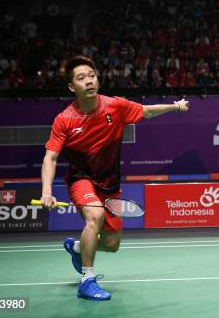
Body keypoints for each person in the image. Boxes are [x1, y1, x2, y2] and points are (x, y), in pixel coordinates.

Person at [39, 55, 189, 301]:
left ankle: (77, 247)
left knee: (111, 244)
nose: (89, 81)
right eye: (81, 78)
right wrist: (46, 191)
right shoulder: (64, 120)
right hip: (81, 178)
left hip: (109, 184)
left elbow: (146, 111)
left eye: (91, 75)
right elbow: (50, 158)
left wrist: (174, 106)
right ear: (71, 87)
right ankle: (87, 280)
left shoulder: (115, 106)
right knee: (95, 215)